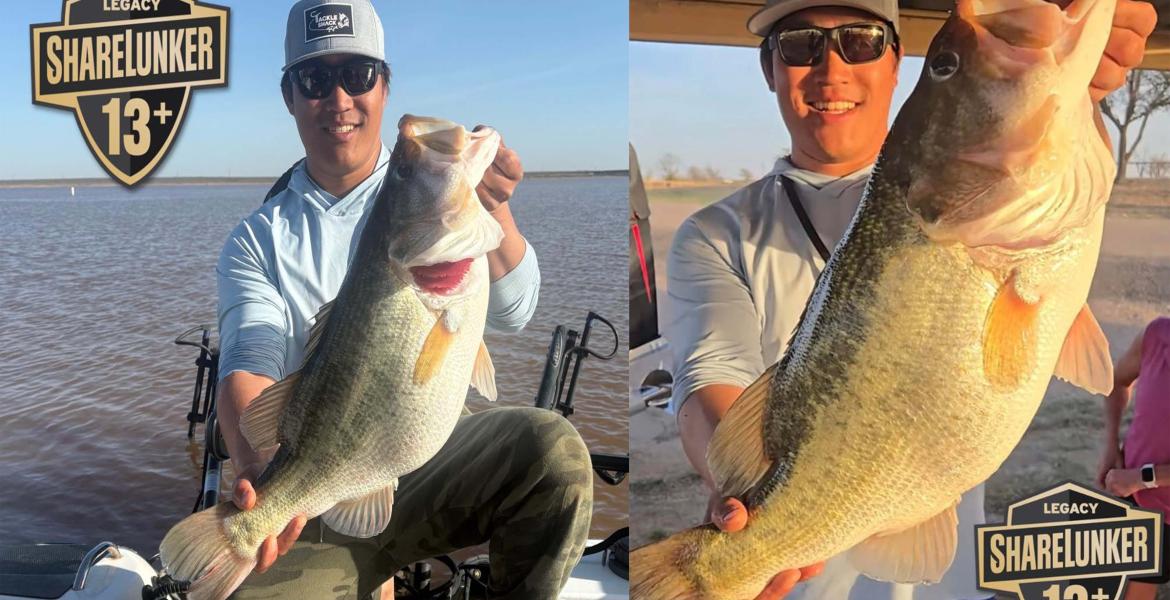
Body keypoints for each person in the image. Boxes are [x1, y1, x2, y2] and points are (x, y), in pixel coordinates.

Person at [665, 0, 1157, 597]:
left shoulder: (984, 205)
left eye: (861, 41)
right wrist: (745, 508)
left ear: (897, 63)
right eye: (799, 45)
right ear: (769, 69)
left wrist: (1084, 93)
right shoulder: (715, 235)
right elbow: (708, 375)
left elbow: (1047, 150)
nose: (831, 69)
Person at [213, 1, 592, 598]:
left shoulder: (435, 199)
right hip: (316, 486)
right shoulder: (257, 239)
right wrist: (257, 468)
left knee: (554, 454)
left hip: (425, 452)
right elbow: (249, 361)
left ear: (384, 87)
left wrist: (493, 208)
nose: (339, 98)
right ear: (289, 96)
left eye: (358, 74)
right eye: (314, 80)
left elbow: (515, 311)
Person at [1097, 317, 1170, 600]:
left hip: (1138, 484)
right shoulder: (1156, 335)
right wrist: (1110, 445)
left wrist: (1143, 477)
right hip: (1142, 504)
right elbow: (1116, 382)